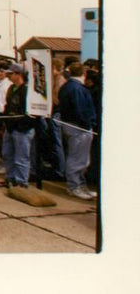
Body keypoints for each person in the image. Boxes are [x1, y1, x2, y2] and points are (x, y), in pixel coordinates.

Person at [58, 62, 98, 200]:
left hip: (72, 125)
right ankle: (74, 186)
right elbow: (80, 110)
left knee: (80, 158)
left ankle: (80, 184)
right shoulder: (77, 89)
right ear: (84, 73)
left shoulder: (68, 86)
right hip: (78, 127)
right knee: (78, 159)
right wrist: (87, 124)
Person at [0, 63, 34, 188]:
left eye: (11, 73)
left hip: (22, 129)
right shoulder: (11, 88)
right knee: (7, 154)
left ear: (19, 74)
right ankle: (10, 178)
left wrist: (22, 126)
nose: (8, 76)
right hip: (10, 127)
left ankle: (21, 182)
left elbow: (30, 112)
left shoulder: (27, 90)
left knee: (21, 157)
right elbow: (8, 106)